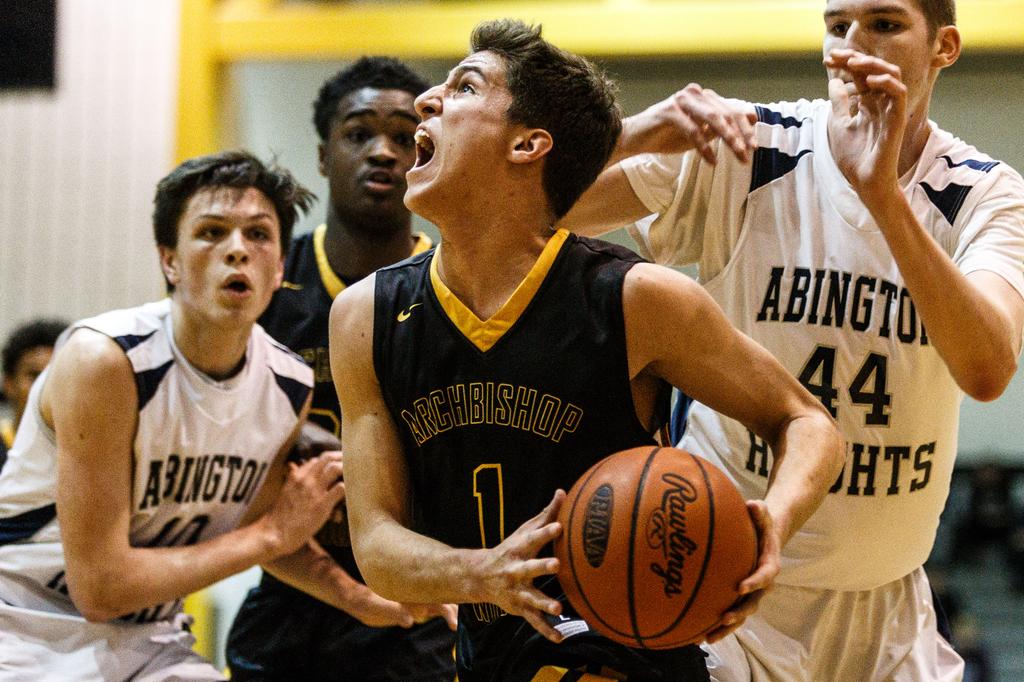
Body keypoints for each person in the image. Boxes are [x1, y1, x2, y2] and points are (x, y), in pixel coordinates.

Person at [330, 19, 844, 682]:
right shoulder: (366, 318)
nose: (426, 100)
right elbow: (376, 547)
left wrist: (771, 524)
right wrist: (483, 573)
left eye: (464, 86)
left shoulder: (635, 298)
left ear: (528, 143)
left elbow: (809, 422)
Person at [560, 0, 1024, 678]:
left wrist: (884, 200)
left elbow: (987, 369)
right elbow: (533, 211)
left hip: (887, 611)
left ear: (943, 47)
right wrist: (629, 132)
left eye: (885, 25)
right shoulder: (749, 145)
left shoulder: (984, 195)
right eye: (838, 27)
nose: (853, 46)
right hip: (727, 589)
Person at [0, 150, 356, 680]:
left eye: (258, 235)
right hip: (24, 629)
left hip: (150, 639)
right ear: (169, 260)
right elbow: (100, 587)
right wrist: (272, 535)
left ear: (281, 267)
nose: (237, 250)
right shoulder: (106, 360)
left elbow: (265, 535)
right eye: (212, 232)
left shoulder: (288, 383)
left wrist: (367, 603)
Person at [227, 57, 456, 681]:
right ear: (324, 156)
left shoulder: (460, 287)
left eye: (407, 138)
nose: (383, 152)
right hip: (292, 585)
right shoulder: (266, 284)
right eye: (358, 134)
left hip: (419, 595)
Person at [0, 318, 67, 466]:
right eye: (35, 375)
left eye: (55, 375)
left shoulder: (87, 452)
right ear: (9, 384)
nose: (45, 387)